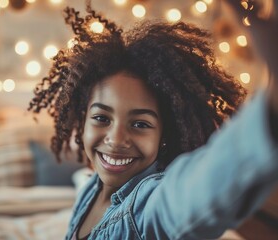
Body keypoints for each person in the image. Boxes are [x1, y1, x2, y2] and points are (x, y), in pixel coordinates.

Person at [29, 0, 278, 239]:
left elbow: (195, 192)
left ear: (164, 134)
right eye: (101, 118)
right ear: (83, 121)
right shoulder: (90, 188)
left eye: (140, 124)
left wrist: (272, 107)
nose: (115, 139)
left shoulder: (147, 209)